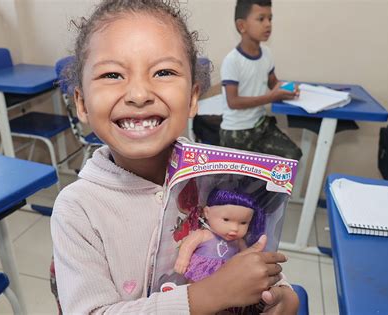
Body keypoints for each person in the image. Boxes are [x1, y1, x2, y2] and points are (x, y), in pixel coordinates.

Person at [51, 0, 299, 313]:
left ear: (193, 97)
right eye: (112, 75)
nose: (139, 95)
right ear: (82, 103)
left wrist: (283, 294)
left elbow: (245, 244)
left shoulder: (213, 177)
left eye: (163, 72)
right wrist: (209, 295)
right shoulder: (77, 209)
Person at [219, 0, 302, 161]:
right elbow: (233, 101)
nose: (268, 24)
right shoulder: (233, 61)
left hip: (260, 126)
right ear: (242, 26)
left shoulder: (267, 54)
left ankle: (264, 186)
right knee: (236, 183)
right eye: (261, 19)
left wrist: (288, 88)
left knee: (291, 156)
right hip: (236, 132)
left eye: (270, 19)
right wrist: (272, 97)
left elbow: (273, 83)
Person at [174, 188, 265, 283]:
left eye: (243, 222)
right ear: (207, 213)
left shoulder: (238, 242)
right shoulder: (203, 234)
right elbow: (187, 246)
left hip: (227, 275)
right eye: (226, 219)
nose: (235, 228)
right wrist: (183, 260)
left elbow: (245, 255)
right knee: (193, 287)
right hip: (201, 272)